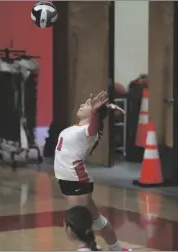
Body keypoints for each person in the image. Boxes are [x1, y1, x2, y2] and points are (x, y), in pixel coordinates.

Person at [54, 91, 127, 251]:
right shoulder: (76, 128)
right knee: (97, 221)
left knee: (76, 223)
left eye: (87, 104)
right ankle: (117, 249)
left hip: (76, 182)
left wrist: (95, 111)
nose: (82, 105)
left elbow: (94, 126)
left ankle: (90, 248)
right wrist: (107, 107)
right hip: (69, 182)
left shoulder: (89, 131)